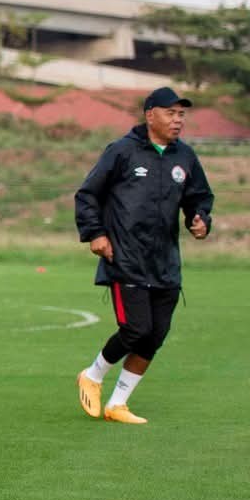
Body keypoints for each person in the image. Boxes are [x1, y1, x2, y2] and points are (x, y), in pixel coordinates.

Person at [74, 86, 213, 424]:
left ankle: (118, 403)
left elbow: (200, 197)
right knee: (136, 329)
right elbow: (88, 194)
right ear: (150, 115)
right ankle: (92, 375)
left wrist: (200, 219)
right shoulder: (122, 152)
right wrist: (95, 233)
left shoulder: (186, 157)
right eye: (171, 113)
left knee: (155, 335)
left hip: (165, 262)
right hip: (125, 257)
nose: (178, 120)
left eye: (181, 114)